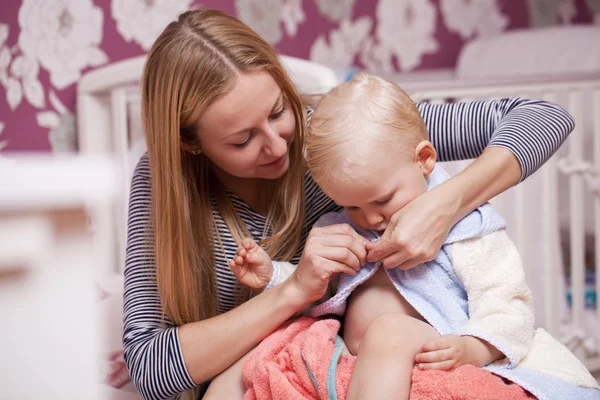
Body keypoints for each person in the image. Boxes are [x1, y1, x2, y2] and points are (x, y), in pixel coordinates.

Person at [123, 9, 576, 400]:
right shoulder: (166, 185)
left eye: (279, 111)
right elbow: (149, 366)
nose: (278, 145)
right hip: (300, 352)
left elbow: (544, 116)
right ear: (189, 143)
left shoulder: (334, 140)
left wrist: (443, 205)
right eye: (243, 140)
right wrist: (293, 290)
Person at [230, 72, 599, 400]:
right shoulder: (340, 225)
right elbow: (320, 289)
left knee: (389, 330)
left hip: (431, 354)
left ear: (424, 159)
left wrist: (473, 347)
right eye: (353, 207)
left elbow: (508, 303)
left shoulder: (468, 229)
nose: (370, 218)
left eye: (382, 200)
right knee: (259, 358)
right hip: (349, 363)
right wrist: (275, 276)